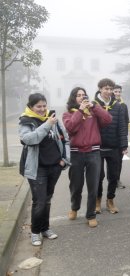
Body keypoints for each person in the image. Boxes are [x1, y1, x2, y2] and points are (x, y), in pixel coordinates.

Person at [19, 93, 70, 246]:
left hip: (54, 166)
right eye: (38, 106)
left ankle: (45, 228)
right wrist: (47, 124)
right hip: (37, 168)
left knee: (47, 200)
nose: (42, 109)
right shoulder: (26, 121)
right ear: (31, 107)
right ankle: (35, 232)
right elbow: (28, 139)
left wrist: (64, 160)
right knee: (39, 201)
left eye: (44, 106)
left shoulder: (53, 117)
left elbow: (65, 138)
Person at [63, 87, 112, 228]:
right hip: (76, 153)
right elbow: (71, 127)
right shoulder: (68, 114)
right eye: (78, 95)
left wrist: (94, 107)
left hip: (93, 152)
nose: (81, 97)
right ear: (74, 98)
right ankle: (74, 207)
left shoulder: (93, 112)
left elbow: (108, 119)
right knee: (76, 184)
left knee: (93, 185)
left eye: (83, 95)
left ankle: (91, 214)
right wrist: (80, 111)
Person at [94, 78, 128, 214]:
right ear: (100, 89)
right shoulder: (93, 105)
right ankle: (97, 201)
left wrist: (124, 145)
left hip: (114, 147)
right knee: (98, 176)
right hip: (97, 147)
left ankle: (110, 200)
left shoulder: (118, 105)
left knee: (113, 176)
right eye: (105, 88)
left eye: (110, 89)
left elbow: (122, 126)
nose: (108, 91)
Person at [113, 84, 129, 189]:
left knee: (119, 161)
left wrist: (124, 138)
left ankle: (116, 179)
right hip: (108, 138)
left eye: (119, 91)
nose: (118, 94)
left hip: (119, 138)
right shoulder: (109, 104)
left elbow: (126, 121)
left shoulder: (124, 105)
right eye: (116, 91)